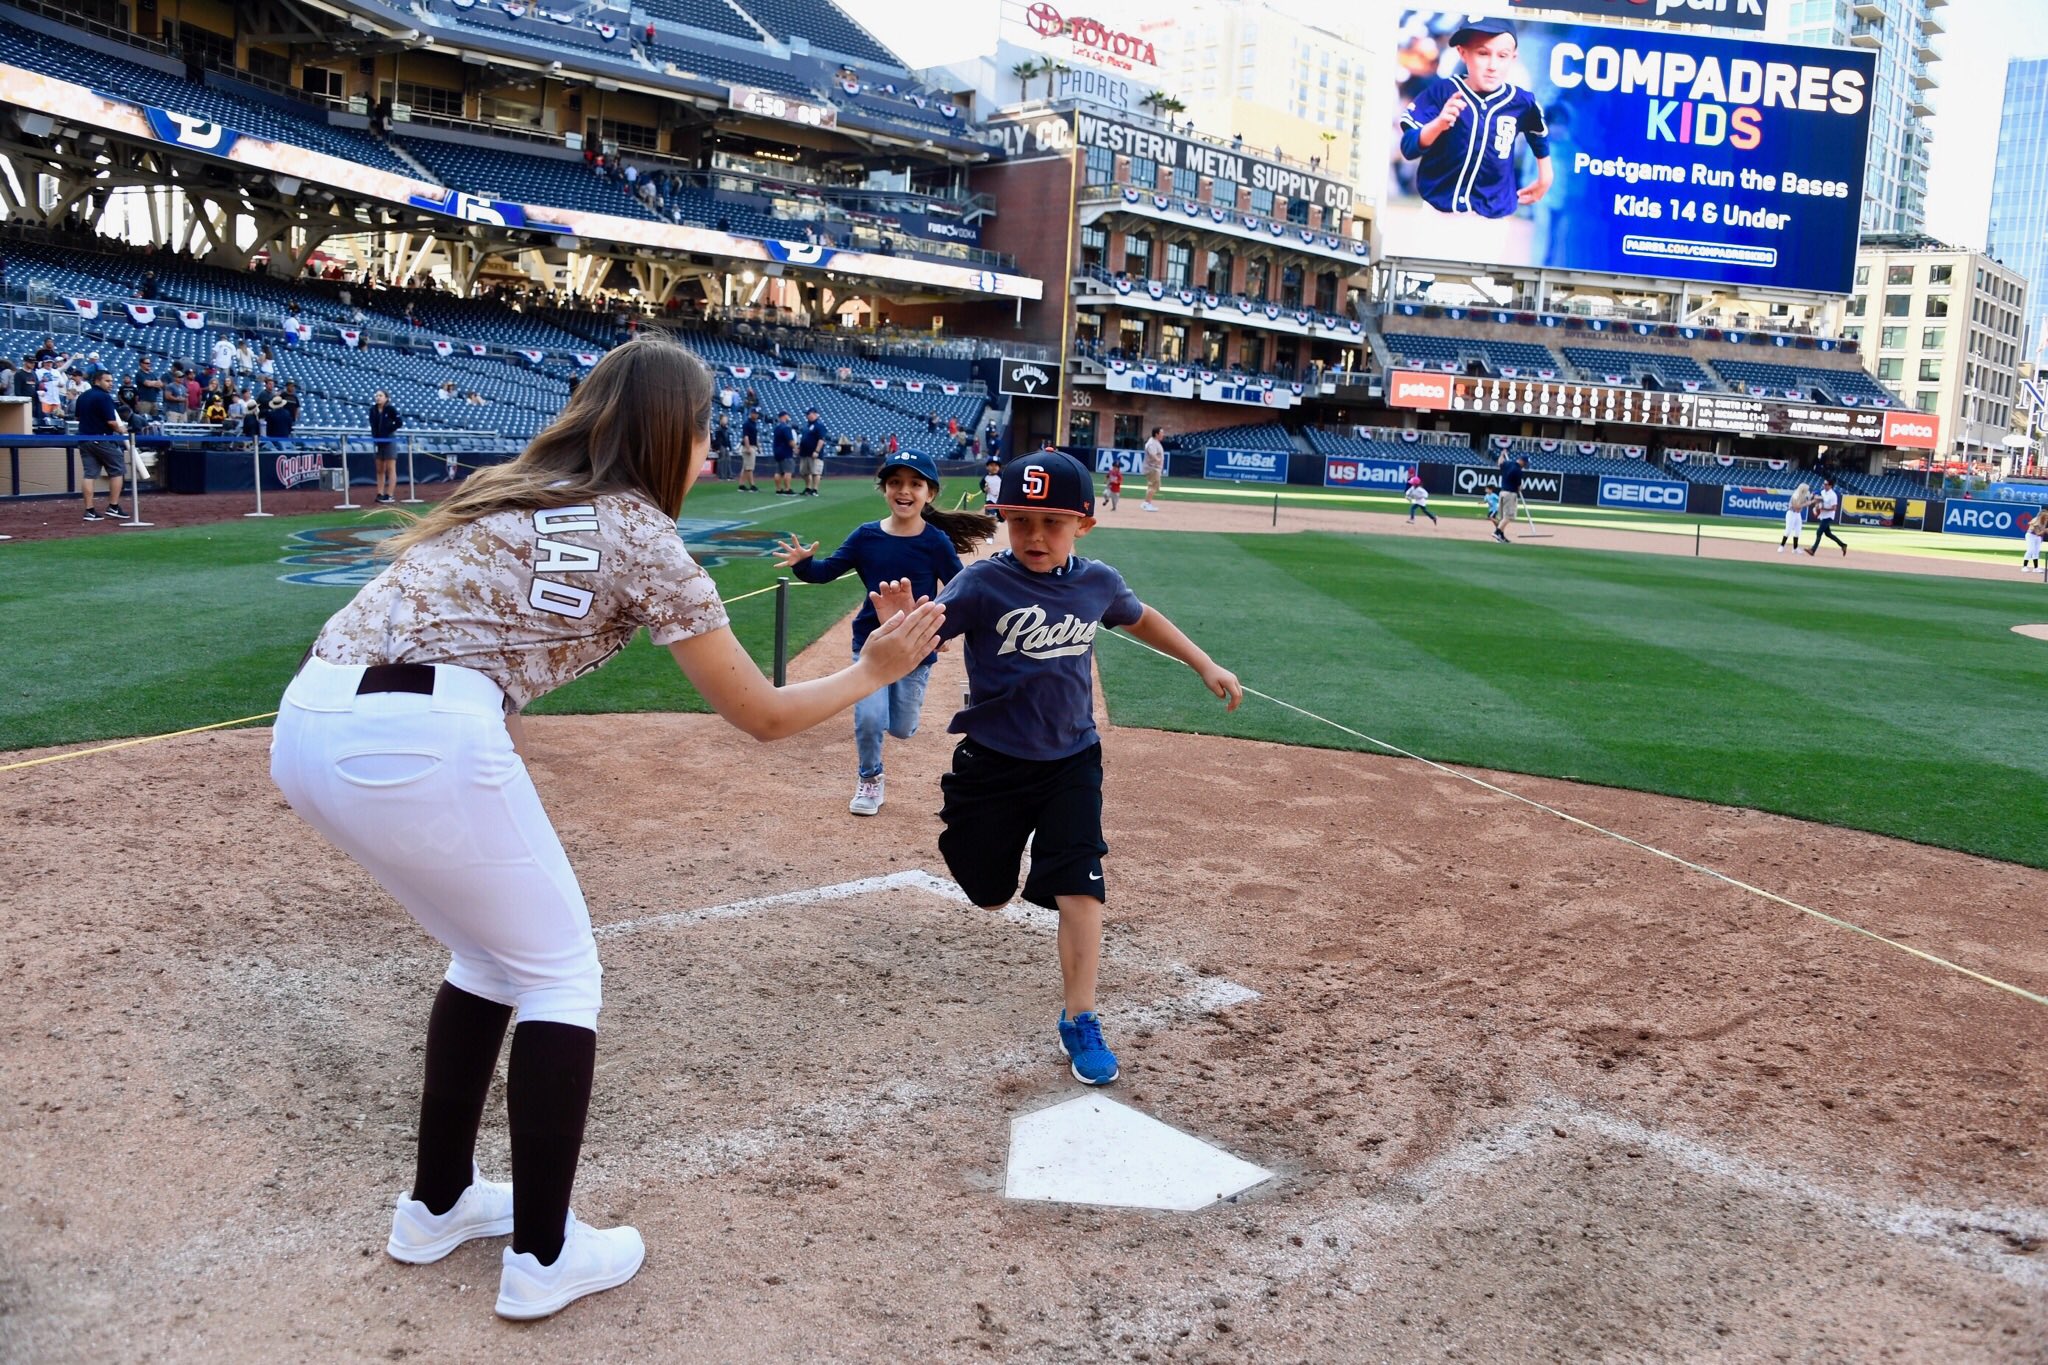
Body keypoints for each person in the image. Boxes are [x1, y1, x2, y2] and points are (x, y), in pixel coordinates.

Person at [268, 336, 945, 1322]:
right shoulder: (639, 536)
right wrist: (872, 673)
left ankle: (438, 1204)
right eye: (706, 431)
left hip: (309, 723)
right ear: (668, 433)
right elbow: (758, 715)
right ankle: (543, 1257)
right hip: (419, 733)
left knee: (489, 957)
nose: (711, 451)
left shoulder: (513, 488)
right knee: (560, 973)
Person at [928, 450, 1241, 1086]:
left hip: (1072, 758)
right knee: (988, 892)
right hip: (990, 765)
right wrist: (897, 630)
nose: (1035, 537)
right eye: (1020, 521)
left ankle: (1082, 1018)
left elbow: (1140, 616)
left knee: (1081, 885)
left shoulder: (1097, 580)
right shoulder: (983, 584)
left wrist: (1202, 662)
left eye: (1053, 523)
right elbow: (923, 639)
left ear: (1083, 525)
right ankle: (977, 850)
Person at [776, 451, 994, 815]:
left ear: (930, 494)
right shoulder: (865, 537)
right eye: (895, 482)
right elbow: (826, 571)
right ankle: (870, 778)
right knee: (871, 717)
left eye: (915, 484)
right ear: (884, 489)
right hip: (871, 644)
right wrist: (804, 564)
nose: (904, 490)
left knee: (903, 728)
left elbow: (957, 589)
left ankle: (893, 729)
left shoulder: (936, 541)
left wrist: (946, 628)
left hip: (916, 648)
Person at [1399, 19, 1552, 218]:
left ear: (1513, 58)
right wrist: (1437, 125)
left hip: (1495, 212)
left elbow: (1538, 132)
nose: (1492, 65)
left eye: (1502, 56)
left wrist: (1545, 175)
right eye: (1482, 53)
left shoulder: (1522, 101)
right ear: (1463, 53)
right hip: (1439, 209)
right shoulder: (1442, 92)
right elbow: (1408, 147)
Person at [74, 367, 129, 523]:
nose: (111, 384)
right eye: (107, 381)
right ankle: (113, 506)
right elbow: (111, 422)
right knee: (118, 469)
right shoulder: (104, 397)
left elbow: (78, 417)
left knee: (89, 474)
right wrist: (121, 429)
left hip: (84, 439)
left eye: (111, 381)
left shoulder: (82, 396)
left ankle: (89, 510)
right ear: (98, 381)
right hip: (102, 439)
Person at [370, 390, 405, 504]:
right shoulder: (373, 410)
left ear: (386, 398)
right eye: (377, 396)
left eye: (380, 395)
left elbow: (399, 422)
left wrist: (389, 429)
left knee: (391, 468)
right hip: (378, 441)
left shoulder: (391, 409)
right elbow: (372, 424)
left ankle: (389, 494)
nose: (378, 397)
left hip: (389, 440)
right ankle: (380, 493)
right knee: (379, 469)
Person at [1807, 477, 1848, 556]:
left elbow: (1834, 508)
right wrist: (1814, 497)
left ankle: (1813, 550)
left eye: (1826, 484)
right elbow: (1816, 492)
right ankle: (1843, 545)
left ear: (1830, 486)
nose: (1824, 485)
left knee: (1819, 532)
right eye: (1824, 484)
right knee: (1828, 534)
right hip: (1823, 515)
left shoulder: (1833, 495)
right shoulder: (1823, 491)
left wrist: (1822, 508)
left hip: (1828, 516)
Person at [1494, 454, 1523, 543]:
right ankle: (1497, 532)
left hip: (1502, 492)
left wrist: (1502, 454)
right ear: (1522, 461)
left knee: (1503, 517)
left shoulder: (1508, 464)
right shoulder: (1518, 470)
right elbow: (1519, 487)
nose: (1525, 465)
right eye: (1525, 463)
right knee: (1508, 516)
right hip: (1510, 494)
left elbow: (1499, 463)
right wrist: (1521, 488)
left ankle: (1501, 536)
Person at [798, 406, 827, 496]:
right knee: (803, 472)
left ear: (814, 414)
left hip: (814, 453)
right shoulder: (806, 426)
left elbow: (821, 439)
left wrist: (817, 451)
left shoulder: (819, 426)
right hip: (804, 453)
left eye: (808, 413)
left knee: (816, 472)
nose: (807, 415)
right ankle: (808, 488)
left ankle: (815, 489)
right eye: (806, 414)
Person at [1781, 482, 1812, 554]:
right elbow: (1796, 506)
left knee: (1798, 531)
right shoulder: (1796, 495)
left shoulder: (1804, 495)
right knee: (1788, 530)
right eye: (1806, 490)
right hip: (1791, 513)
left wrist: (1810, 501)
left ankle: (1795, 548)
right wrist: (1806, 504)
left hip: (1798, 514)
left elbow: (1805, 504)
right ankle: (1782, 546)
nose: (1807, 491)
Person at [771, 409, 796, 495]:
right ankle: (787, 489)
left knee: (778, 472)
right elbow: (790, 440)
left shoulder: (777, 428)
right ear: (784, 416)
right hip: (786, 452)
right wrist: (796, 448)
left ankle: (778, 489)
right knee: (788, 471)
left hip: (777, 452)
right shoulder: (786, 427)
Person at [1141, 427, 1165, 511]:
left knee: (1153, 486)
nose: (1163, 434)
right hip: (1153, 468)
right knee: (1154, 485)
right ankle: (1147, 503)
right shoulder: (1152, 443)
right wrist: (1157, 460)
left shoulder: (1155, 442)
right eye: (1161, 433)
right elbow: (1152, 453)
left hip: (1155, 468)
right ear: (1156, 434)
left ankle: (1147, 503)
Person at [738, 408, 761, 491]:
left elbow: (755, 437)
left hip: (752, 446)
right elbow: (746, 436)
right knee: (749, 467)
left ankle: (741, 485)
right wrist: (748, 448)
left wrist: (758, 447)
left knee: (745, 467)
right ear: (751, 413)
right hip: (749, 446)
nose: (756, 415)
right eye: (755, 413)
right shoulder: (747, 424)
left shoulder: (754, 423)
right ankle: (752, 485)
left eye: (757, 414)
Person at [2023, 507, 2047, 574]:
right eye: (2045, 516)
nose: (2046, 517)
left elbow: (2041, 532)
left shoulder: (2044, 521)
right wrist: (2045, 531)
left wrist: (2044, 531)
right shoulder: (2036, 520)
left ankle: (2036, 568)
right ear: (2041, 515)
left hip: (2038, 537)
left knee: (2037, 551)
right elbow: (2037, 532)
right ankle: (2024, 566)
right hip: (2031, 535)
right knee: (2030, 550)